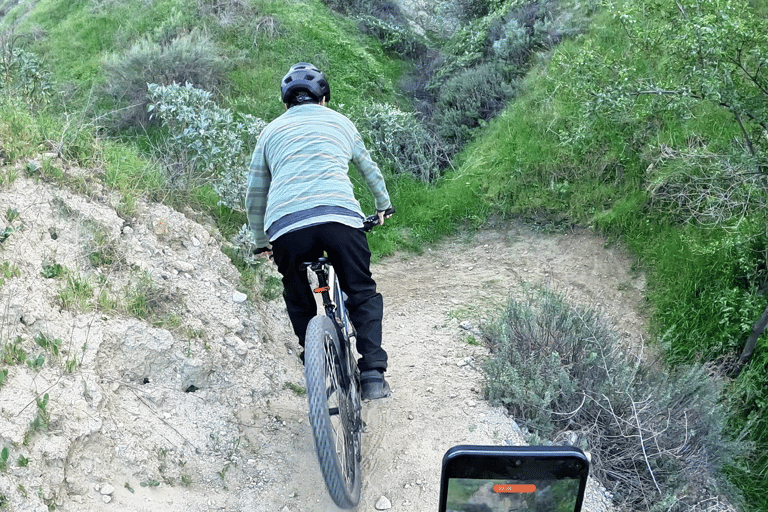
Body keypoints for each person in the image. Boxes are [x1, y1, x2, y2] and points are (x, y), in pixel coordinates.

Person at [245, 62, 393, 400]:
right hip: (340, 219)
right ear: (323, 99)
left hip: (287, 227)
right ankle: (371, 374)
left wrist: (260, 242)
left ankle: (314, 360)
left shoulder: (269, 132)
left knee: (298, 296)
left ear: (286, 104)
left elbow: (254, 194)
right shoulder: (341, 122)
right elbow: (369, 169)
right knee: (361, 292)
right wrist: (383, 205)